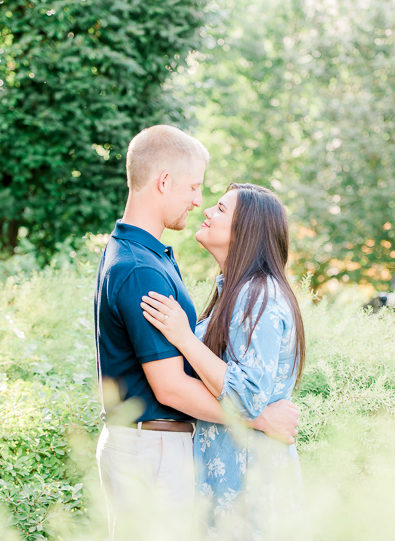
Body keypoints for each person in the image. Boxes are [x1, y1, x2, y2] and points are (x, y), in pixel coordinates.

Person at [94, 126, 299, 538]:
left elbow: (237, 378)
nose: (199, 203)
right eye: (194, 187)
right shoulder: (141, 267)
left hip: (217, 467)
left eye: (218, 207)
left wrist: (187, 337)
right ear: (164, 181)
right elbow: (170, 388)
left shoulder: (244, 291)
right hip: (153, 449)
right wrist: (260, 420)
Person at [141, 183, 306, 537]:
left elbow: (245, 395)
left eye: (219, 209)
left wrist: (184, 338)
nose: (206, 211)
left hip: (250, 487)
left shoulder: (256, 295)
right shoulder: (234, 289)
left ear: (245, 229)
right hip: (227, 480)